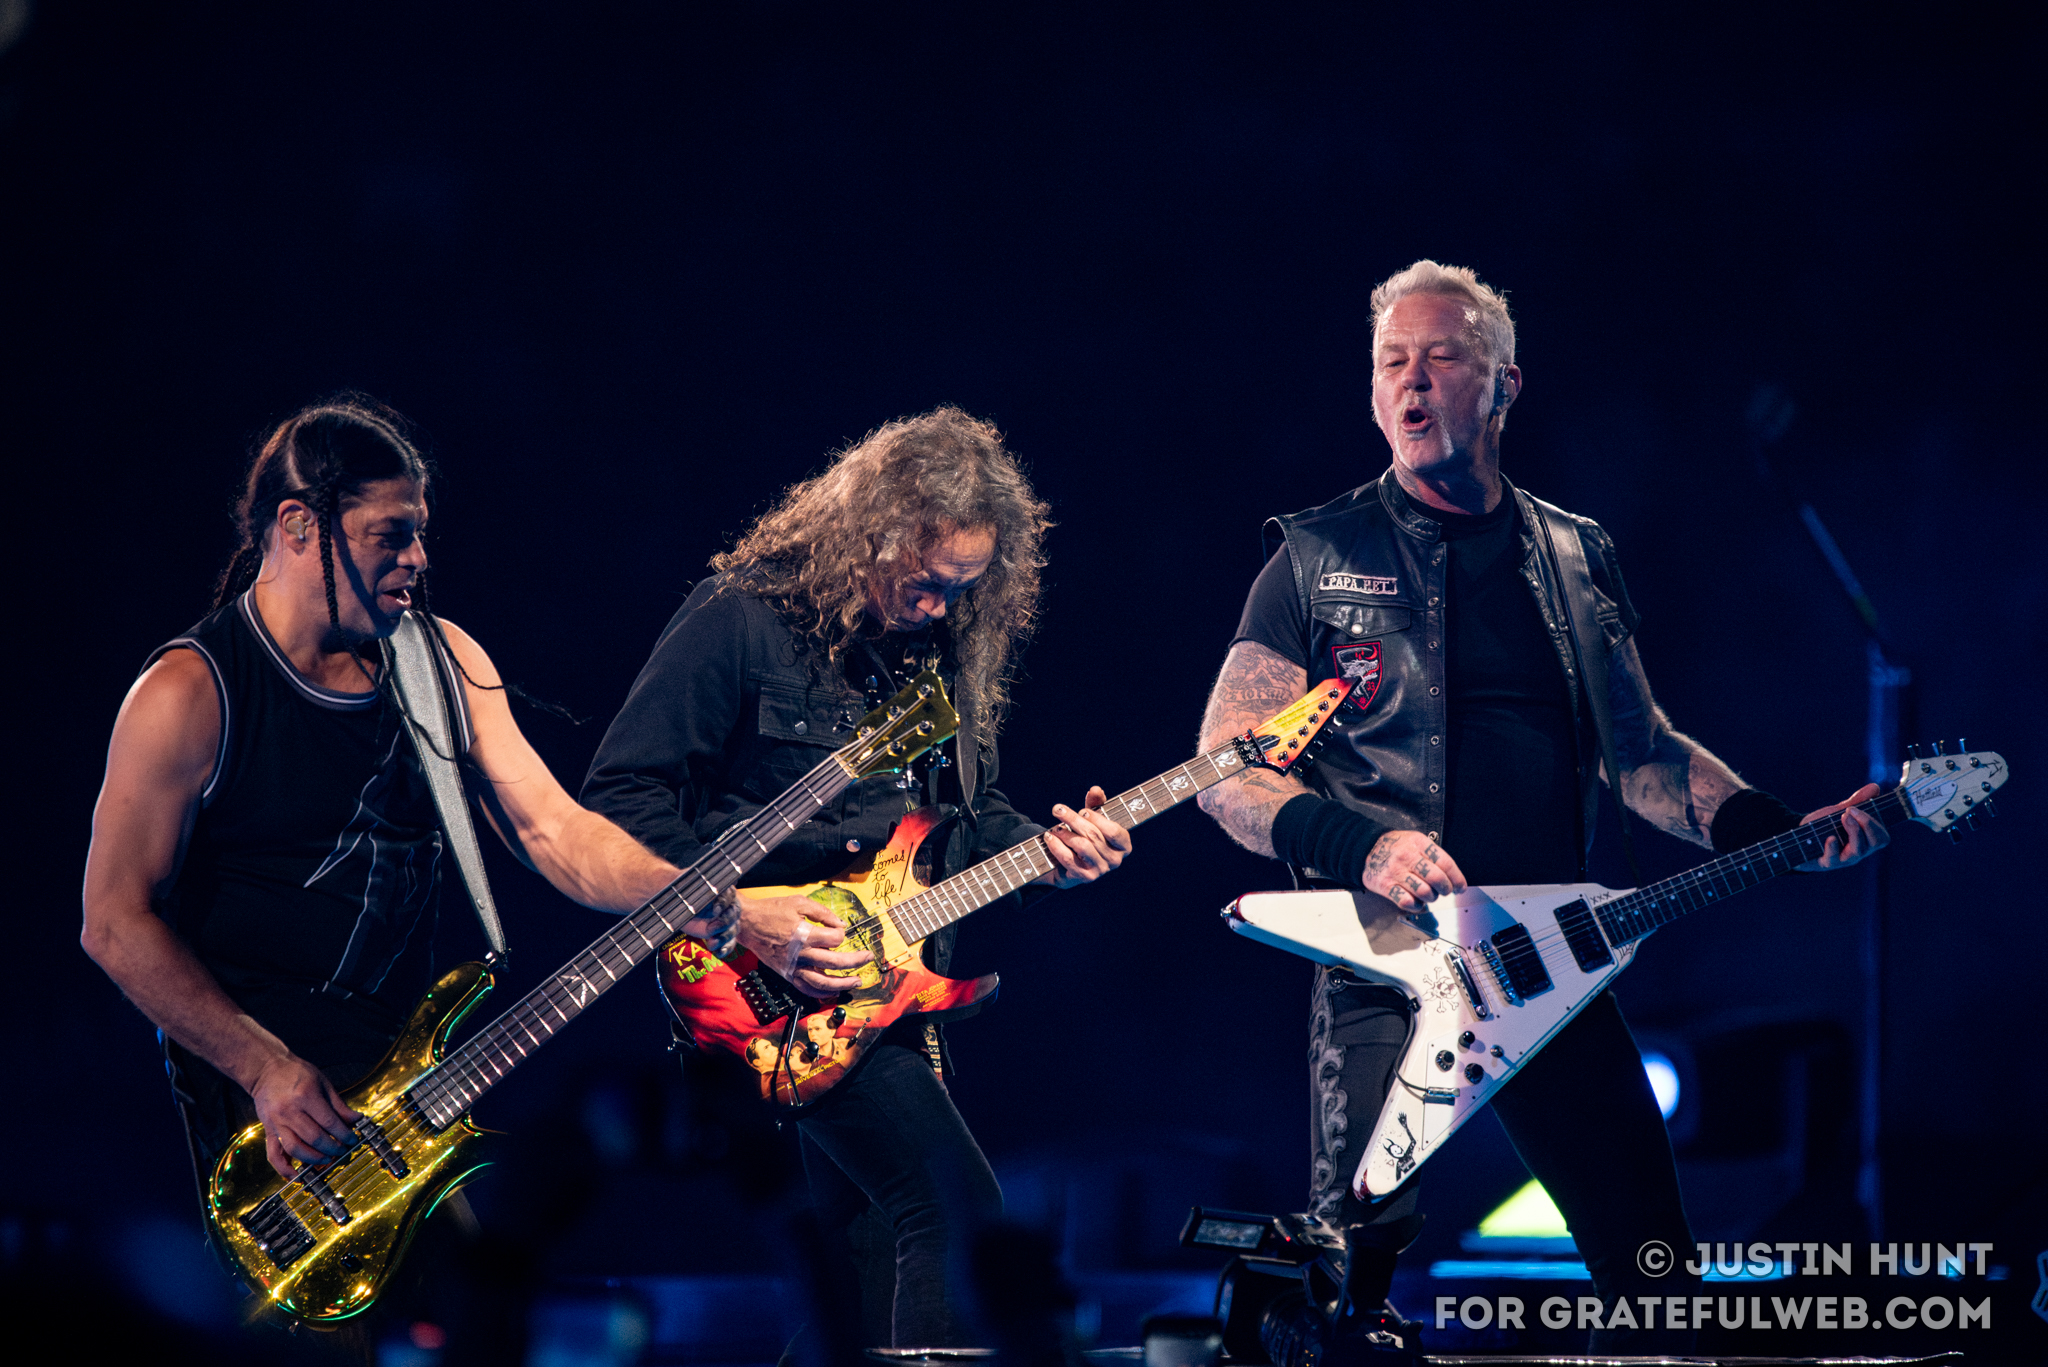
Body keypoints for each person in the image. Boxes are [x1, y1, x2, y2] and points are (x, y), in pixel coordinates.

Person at [1195, 262, 1885, 1358]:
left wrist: (1773, 830)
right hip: (1387, 960)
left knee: (1654, 1275)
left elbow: (1643, 754)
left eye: (1440, 356)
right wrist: (1363, 845)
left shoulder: (1574, 554)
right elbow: (1226, 774)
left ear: (1504, 384)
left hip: (1549, 958)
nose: (1411, 381)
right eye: (1390, 363)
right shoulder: (1313, 556)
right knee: (1345, 1288)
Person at [78, 398, 809, 1361]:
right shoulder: (190, 691)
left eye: (422, 534)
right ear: (300, 526)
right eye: (393, 536)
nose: (419, 560)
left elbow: (557, 833)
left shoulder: (441, 659)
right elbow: (113, 921)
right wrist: (263, 1067)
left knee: (484, 1326)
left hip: (409, 1099)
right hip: (268, 1131)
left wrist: (689, 891)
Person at [581, 406, 1132, 1349]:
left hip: (883, 996)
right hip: (755, 984)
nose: (942, 608)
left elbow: (962, 823)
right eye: (925, 583)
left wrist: (1053, 853)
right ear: (866, 534)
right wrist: (743, 914)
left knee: (861, 1264)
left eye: (963, 588)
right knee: (957, 1214)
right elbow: (621, 793)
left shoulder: (943, 654)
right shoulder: (741, 616)